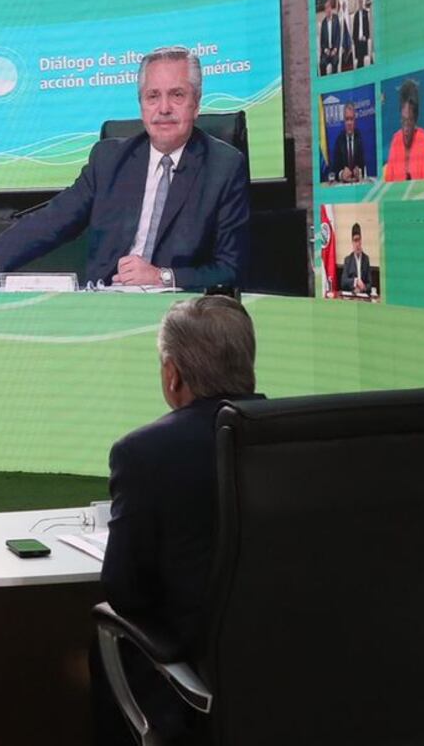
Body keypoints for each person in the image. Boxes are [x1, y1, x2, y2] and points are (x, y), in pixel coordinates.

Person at [0, 47, 249, 293]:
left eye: (176, 95)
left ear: (197, 101)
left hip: (181, 320)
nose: (163, 109)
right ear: (141, 104)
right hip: (103, 309)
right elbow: (49, 223)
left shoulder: (224, 166)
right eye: (152, 96)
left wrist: (162, 277)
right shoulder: (110, 159)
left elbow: (230, 269)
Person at [93, 295, 264, 745]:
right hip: (309, 669)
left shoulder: (144, 453)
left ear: (172, 374)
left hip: (201, 683)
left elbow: (123, 590)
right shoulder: (304, 436)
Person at [382, 78, 424, 182]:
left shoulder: (422, 139)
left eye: (409, 121)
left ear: (415, 121)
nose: (406, 128)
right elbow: (387, 184)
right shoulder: (396, 140)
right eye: (403, 121)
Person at [327, 101, 366, 183]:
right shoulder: (339, 140)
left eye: (351, 119)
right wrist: (341, 174)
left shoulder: (359, 138)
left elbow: (363, 165)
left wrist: (359, 171)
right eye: (347, 119)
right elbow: (333, 169)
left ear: (355, 121)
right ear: (344, 121)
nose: (349, 123)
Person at [318, 0, 346, 76]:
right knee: (322, 64)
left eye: (329, 7)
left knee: (335, 63)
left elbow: (338, 36)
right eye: (326, 8)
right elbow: (322, 41)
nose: (328, 10)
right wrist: (325, 50)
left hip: (334, 50)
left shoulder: (336, 19)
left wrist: (335, 49)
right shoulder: (323, 23)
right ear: (324, 10)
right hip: (326, 52)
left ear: (331, 8)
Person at [339, 223, 373, 297]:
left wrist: (363, 288)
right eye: (355, 240)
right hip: (352, 296)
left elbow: (370, 284)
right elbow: (343, 282)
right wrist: (356, 281)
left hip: (363, 297)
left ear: (361, 240)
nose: (357, 244)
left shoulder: (366, 259)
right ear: (352, 242)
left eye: (359, 240)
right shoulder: (347, 260)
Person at [350, 0, 373, 69]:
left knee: (361, 49)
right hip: (357, 43)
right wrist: (357, 40)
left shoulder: (365, 13)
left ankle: (360, 70)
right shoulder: (355, 15)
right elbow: (353, 34)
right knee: (359, 50)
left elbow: (367, 31)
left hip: (364, 41)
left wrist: (365, 37)